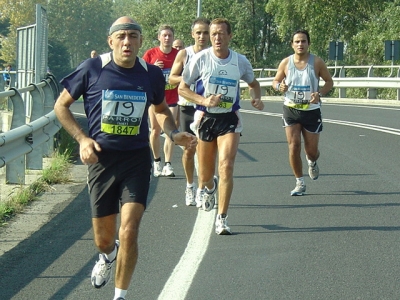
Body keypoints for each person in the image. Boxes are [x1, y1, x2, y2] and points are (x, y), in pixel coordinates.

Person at [54, 16, 197, 300]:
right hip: (102, 162)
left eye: (133, 36)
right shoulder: (93, 68)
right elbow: (61, 106)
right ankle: (107, 257)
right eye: (121, 36)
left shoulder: (151, 74)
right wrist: (83, 140)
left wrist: (173, 132)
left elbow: (160, 109)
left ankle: (120, 296)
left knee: (130, 230)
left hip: (136, 160)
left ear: (141, 41)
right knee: (104, 240)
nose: (127, 42)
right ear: (111, 41)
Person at [178, 18, 264, 235]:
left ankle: (222, 218)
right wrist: (204, 100)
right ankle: (209, 187)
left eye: (220, 34)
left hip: (229, 119)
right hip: (206, 117)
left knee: (226, 165)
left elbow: (254, 84)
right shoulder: (200, 59)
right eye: (213, 33)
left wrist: (256, 98)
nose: (216, 38)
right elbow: (182, 88)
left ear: (229, 36)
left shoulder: (240, 61)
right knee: (205, 176)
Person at [272, 29, 333, 196]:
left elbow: (329, 82)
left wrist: (319, 94)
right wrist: (279, 87)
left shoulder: (317, 62)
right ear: (292, 44)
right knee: (293, 146)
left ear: (308, 44)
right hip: (291, 109)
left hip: (311, 111)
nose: (300, 44)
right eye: (297, 41)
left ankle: (312, 162)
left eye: (303, 41)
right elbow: (276, 81)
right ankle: (299, 182)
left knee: (311, 151)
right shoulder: (286, 63)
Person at [169, 17, 210, 207]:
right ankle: (190, 185)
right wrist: (189, 77)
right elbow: (171, 78)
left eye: (206, 32)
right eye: (199, 32)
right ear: (192, 34)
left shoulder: (214, 54)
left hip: (207, 108)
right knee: (189, 148)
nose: (202, 36)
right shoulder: (184, 54)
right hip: (187, 105)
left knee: (204, 150)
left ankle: (202, 189)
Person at [143, 24, 180, 177]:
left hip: (172, 98)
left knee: (171, 130)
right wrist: (152, 67)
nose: (167, 38)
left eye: (169, 35)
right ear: (159, 37)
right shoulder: (151, 54)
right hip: (155, 98)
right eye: (164, 35)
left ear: (173, 38)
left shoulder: (178, 54)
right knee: (156, 131)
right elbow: (140, 72)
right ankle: (157, 161)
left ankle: (168, 164)